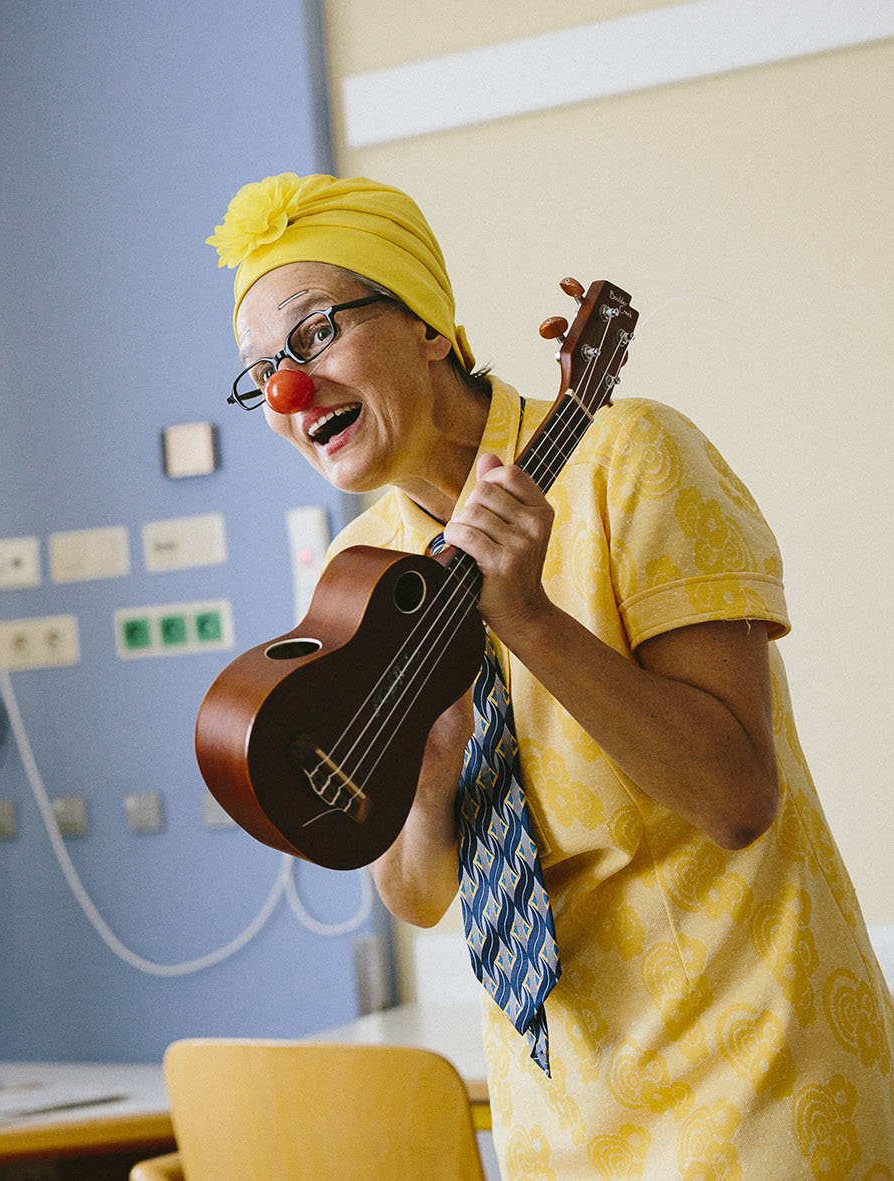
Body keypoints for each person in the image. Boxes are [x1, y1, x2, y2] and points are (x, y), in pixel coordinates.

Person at [209, 172, 894, 1175]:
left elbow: (736, 793)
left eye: (311, 336)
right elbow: (414, 894)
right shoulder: (356, 570)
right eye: (258, 366)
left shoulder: (629, 457)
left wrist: (526, 617)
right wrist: (429, 773)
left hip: (758, 1083)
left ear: (425, 327)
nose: (285, 390)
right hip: (554, 1115)